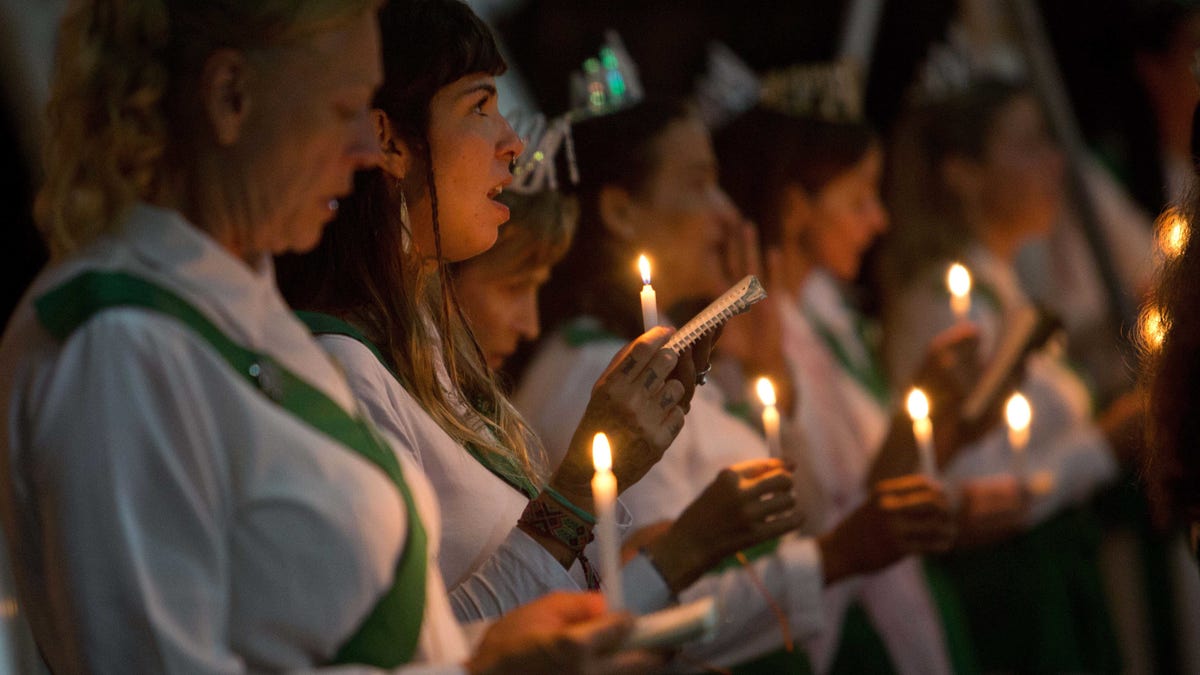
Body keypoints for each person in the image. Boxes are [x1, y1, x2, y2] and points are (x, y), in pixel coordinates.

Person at [0, 1, 670, 672]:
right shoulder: (118, 342)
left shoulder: (244, 313)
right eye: (342, 107)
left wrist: (483, 652)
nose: (366, 150)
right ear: (232, 98)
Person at [276, 0, 802, 626]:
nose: (513, 142)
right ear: (389, 140)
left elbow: (562, 628)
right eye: (478, 107)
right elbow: (425, 651)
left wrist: (666, 552)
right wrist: (581, 489)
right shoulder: (343, 370)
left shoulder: (433, 364)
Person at [518, 98, 958, 672]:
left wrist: (765, 372)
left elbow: (809, 513)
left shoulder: (688, 355)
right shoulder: (596, 377)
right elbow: (649, 610)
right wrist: (833, 559)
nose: (729, 215)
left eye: (722, 185)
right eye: (701, 185)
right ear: (622, 211)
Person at [714, 102, 989, 675]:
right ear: (794, 209)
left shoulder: (826, 321)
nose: (881, 220)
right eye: (859, 197)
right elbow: (827, 511)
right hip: (844, 625)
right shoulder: (754, 342)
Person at [881, 76, 1133, 673]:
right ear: (963, 173)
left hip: (1052, 576)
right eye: (1028, 146)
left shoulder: (1006, 285)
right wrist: (1103, 444)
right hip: (1010, 597)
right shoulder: (944, 303)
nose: (1055, 164)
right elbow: (971, 480)